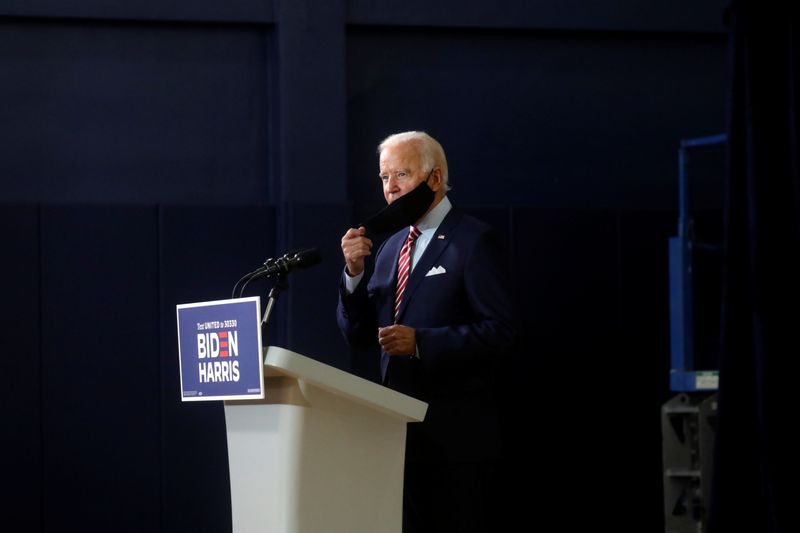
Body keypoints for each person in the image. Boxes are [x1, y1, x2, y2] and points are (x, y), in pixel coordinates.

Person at [337, 131, 515, 532]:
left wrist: (422, 343)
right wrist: (354, 275)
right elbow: (359, 335)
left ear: (434, 179)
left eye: (401, 174)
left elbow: (502, 332)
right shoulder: (389, 247)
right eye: (383, 178)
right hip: (397, 438)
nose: (390, 188)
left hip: (457, 445)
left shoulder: (473, 241)